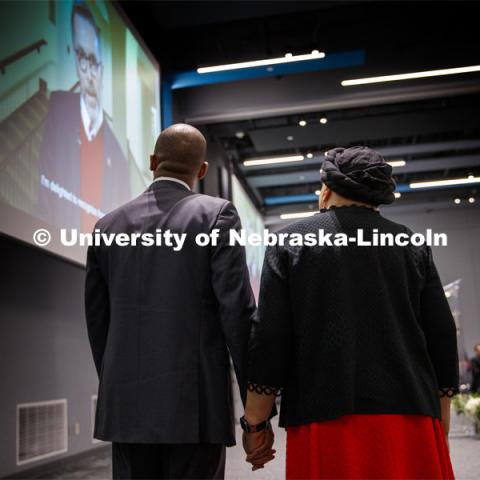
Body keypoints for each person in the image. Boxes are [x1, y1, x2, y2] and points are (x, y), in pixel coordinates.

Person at [242, 146, 459, 479]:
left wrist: (255, 423)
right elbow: (441, 333)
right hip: (409, 413)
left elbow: (270, 337)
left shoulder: (290, 242)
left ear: (326, 190)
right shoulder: (412, 244)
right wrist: (440, 416)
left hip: (325, 417)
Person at [85, 124, 256, 479]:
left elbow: (98, 320)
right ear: (203, 170)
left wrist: (118, 382)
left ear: (151, 162)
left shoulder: (107, 226)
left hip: (127, 407)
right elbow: (236, 312)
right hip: (193, 406)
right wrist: (256, 407)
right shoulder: (216, 215)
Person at [39, 0, 130, 233]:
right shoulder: (58, 111)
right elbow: (44, 200)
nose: (87, 71)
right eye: (80, 56)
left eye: (92, 59)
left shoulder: (119, 158)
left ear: (102, 64)